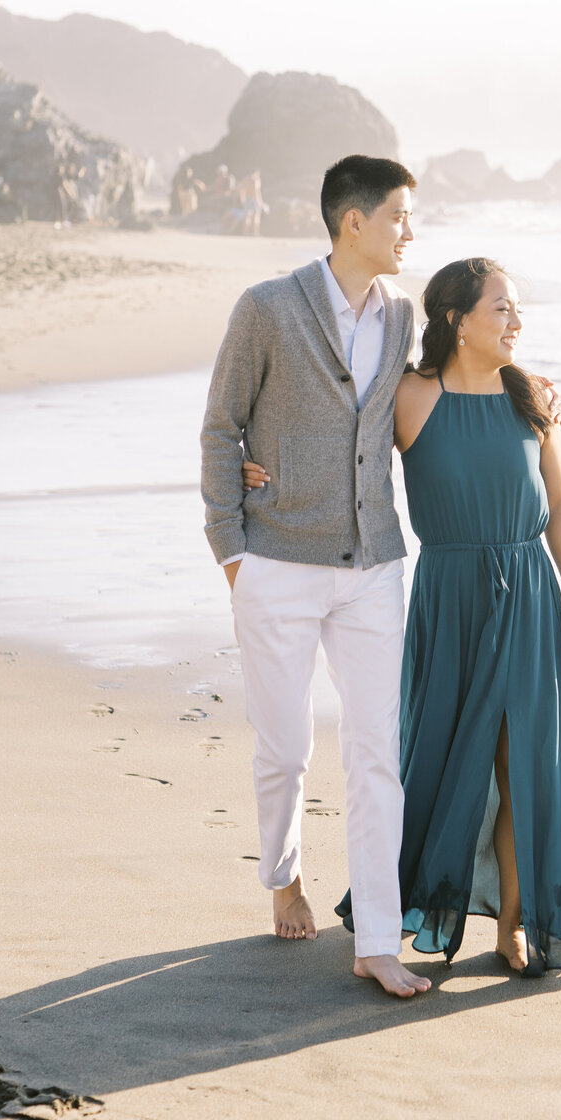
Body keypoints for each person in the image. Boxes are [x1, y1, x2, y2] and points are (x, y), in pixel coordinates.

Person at [335, 257, 561, 974]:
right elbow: (338, 455)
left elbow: (558, 505)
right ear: (458, 321)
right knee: (440, 755)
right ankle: (410, 899)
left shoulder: (529, 396)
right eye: (502, 309)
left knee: (521, 761)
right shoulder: (409, 397)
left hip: (528, 594)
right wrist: (257, 471)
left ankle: (514, 925)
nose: (516, 322)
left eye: (517, 309)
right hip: (451, 593)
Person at [200, 153, 431, 1000]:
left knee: (377, 753)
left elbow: (441, 388)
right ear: (353, 222)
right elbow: (221, 428)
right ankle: (284, 876)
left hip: (374, 566)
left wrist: (528, 391)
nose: (412, 231)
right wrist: (232, 549)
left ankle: (375, 937)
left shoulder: (403, 315)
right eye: (401, 216)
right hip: (276, 564)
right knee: (286, 747)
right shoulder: (267, 309)